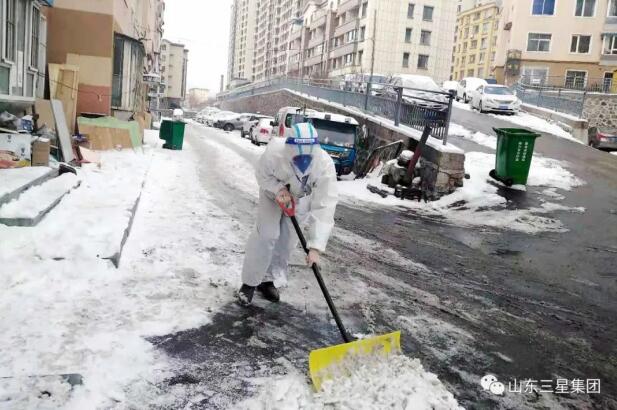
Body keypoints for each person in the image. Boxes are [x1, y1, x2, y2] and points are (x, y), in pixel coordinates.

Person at [238, 122, 338, 306]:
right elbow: (262, 175)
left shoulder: (324, 165)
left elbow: (325, 205)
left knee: (286, 241)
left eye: (308, 157)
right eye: (298, 157)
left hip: (299, 199)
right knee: (267, 235)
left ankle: (268, 280)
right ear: (289, 149)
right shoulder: (274, 152)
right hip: (272, 195)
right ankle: (250, 282)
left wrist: (315, 247)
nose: (303, 162)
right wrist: (278, 189)